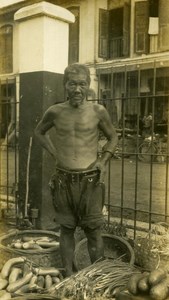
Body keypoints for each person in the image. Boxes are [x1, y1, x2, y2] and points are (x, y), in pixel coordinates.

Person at [34, 63, 118, 277]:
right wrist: (54, 153)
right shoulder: (54, 111)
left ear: (89, 85)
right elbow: (39, 132)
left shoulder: (98, 111)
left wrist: (103, 160)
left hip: (90, 180)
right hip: (63, 180)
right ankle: (69, 275)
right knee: (66, 229)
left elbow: (113, 136)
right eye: (72, 84)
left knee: (93, 231)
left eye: (82, 84)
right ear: (65, 85)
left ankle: (96, 276)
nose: (77, 89)